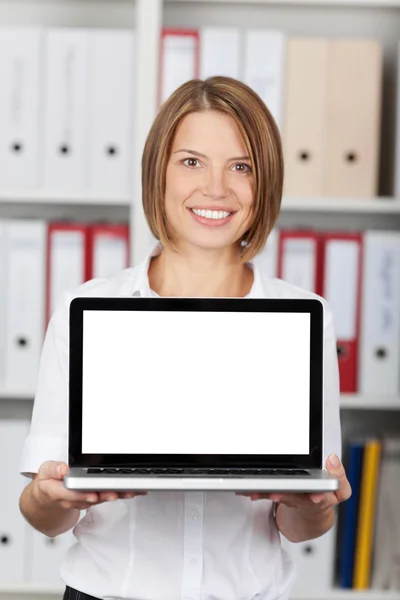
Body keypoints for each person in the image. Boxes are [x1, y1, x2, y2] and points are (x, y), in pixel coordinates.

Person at [19, 76, 351, 600]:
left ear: (265, 181)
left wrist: (315, 505)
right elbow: (43, 517)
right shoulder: (86, 311)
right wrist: (52, 497)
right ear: (160, 172)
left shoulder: (305, 319)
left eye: (240, 166)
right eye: (191, 161)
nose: (216, 188)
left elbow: (300, 524)